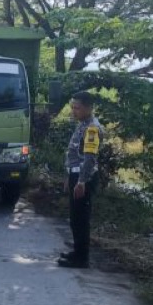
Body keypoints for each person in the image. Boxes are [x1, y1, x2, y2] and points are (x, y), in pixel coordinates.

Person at [58, 91, 103, 269]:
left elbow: (89, 159)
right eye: (72, 107)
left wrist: (81, 182)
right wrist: (69, 177)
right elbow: (74, 155)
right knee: (74, 218)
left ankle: (82, 258)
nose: (73, 111)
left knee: (81, 219)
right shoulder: (82, 124)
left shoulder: (92, 128)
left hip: (84, 178)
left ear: (88, 108)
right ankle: (76, 252)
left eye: (77, 108)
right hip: (75, 176)